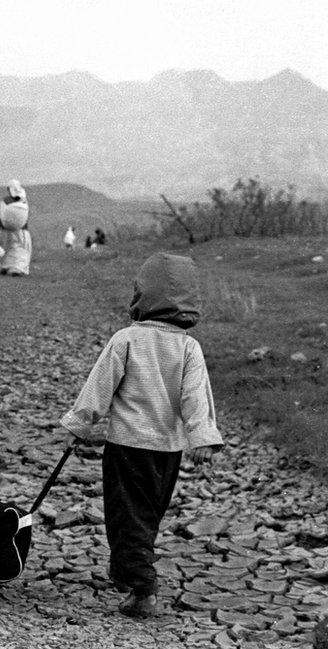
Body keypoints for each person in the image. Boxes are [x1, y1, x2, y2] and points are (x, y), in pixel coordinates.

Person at [59, 252, 223, 619]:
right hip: (167, 451)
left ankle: (142, 587)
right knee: (147, 514)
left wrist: (78, 426)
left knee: (125, 514)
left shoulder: (126, 340)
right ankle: (131, 571)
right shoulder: (188, 347)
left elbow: (99, 388)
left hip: (127, 447)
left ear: (141, 296)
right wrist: (202, 438)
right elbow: (196, 396)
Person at [0, 179, 32, 276]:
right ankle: (17, 268)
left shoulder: (5, 201)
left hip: (4, 230)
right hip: (20, 230)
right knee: (21, 248)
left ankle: (5, 266)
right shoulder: (23, 203)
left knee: (7, 247)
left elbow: (0, 213)